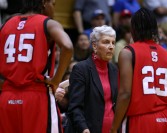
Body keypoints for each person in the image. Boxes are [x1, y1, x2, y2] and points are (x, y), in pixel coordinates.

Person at [0, 0, 73, 133]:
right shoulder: (48, 23)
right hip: (35, 96)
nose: (53, 8)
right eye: (53, 4)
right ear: (44, 3)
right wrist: (56, 80)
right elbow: (67, 47)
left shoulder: (7, 23)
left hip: (7, 97)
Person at [111, 8, 167, 133]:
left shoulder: (128, 53)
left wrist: (114, 127)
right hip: (166, 120)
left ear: (133, 29)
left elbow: (125, 94)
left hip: (139, 120)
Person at [67, 25, 118, 133]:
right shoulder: (81, 69)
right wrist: (83, 128)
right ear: (94, 46)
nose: (111, 46)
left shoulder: (114, 70)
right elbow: (74, 106)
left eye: (113, 43)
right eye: (106, 42)